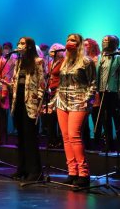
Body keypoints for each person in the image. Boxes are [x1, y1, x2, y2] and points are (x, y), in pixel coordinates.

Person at [54, 33, 96, 187]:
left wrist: (87, 99)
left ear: (79, 44)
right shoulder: (64, 61)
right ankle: (72, 171)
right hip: (62, 101)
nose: (69, 42)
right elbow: (60, 83)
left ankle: (84, 174)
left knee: (74, 136)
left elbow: (92, 82)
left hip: (78, 101)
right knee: (65, 137)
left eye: (73, 40)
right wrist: (54, 101)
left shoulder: (86, 61)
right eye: (67, 40)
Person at [9, 37, 45, 182]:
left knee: (30, 138)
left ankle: (35, 171)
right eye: (18, 43)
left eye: (23, 43)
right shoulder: (17, 62)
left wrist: (39, 103)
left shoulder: (38, 62)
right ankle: (22, 169)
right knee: (21, 137)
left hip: (31, 103)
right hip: (18, 102)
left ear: (30, 46)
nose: (19, 45)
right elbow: (15, 82)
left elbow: (42, 84)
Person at [96, 35, 120, 152]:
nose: (104, 43)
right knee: (105, 118)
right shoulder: (101, 57)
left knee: (117, 117)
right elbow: (98, 74)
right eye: (103, 41)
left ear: (114, 43)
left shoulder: (118, 57)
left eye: (107, 41)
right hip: (103, 91)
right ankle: (109, 144)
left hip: (115, 92)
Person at [43, 43, 65, 149]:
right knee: (51, 117)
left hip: (59, 91)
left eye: (55, 50)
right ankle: (52, 140)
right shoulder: (51, 62)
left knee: (59, 116)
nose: (52, 51)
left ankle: (61, 141)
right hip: (50, 91)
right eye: (51, 49)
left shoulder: (63, 62)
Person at [83, 37, 101, 150]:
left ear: (92, 46)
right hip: (83, 91)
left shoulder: (97, 59)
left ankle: (97, 142)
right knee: (83, 119)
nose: (85, 47)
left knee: (96, 118)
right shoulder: (83, 59)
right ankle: (87, 142)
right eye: (83, 45)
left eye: (87, 45)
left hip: (95, 91)